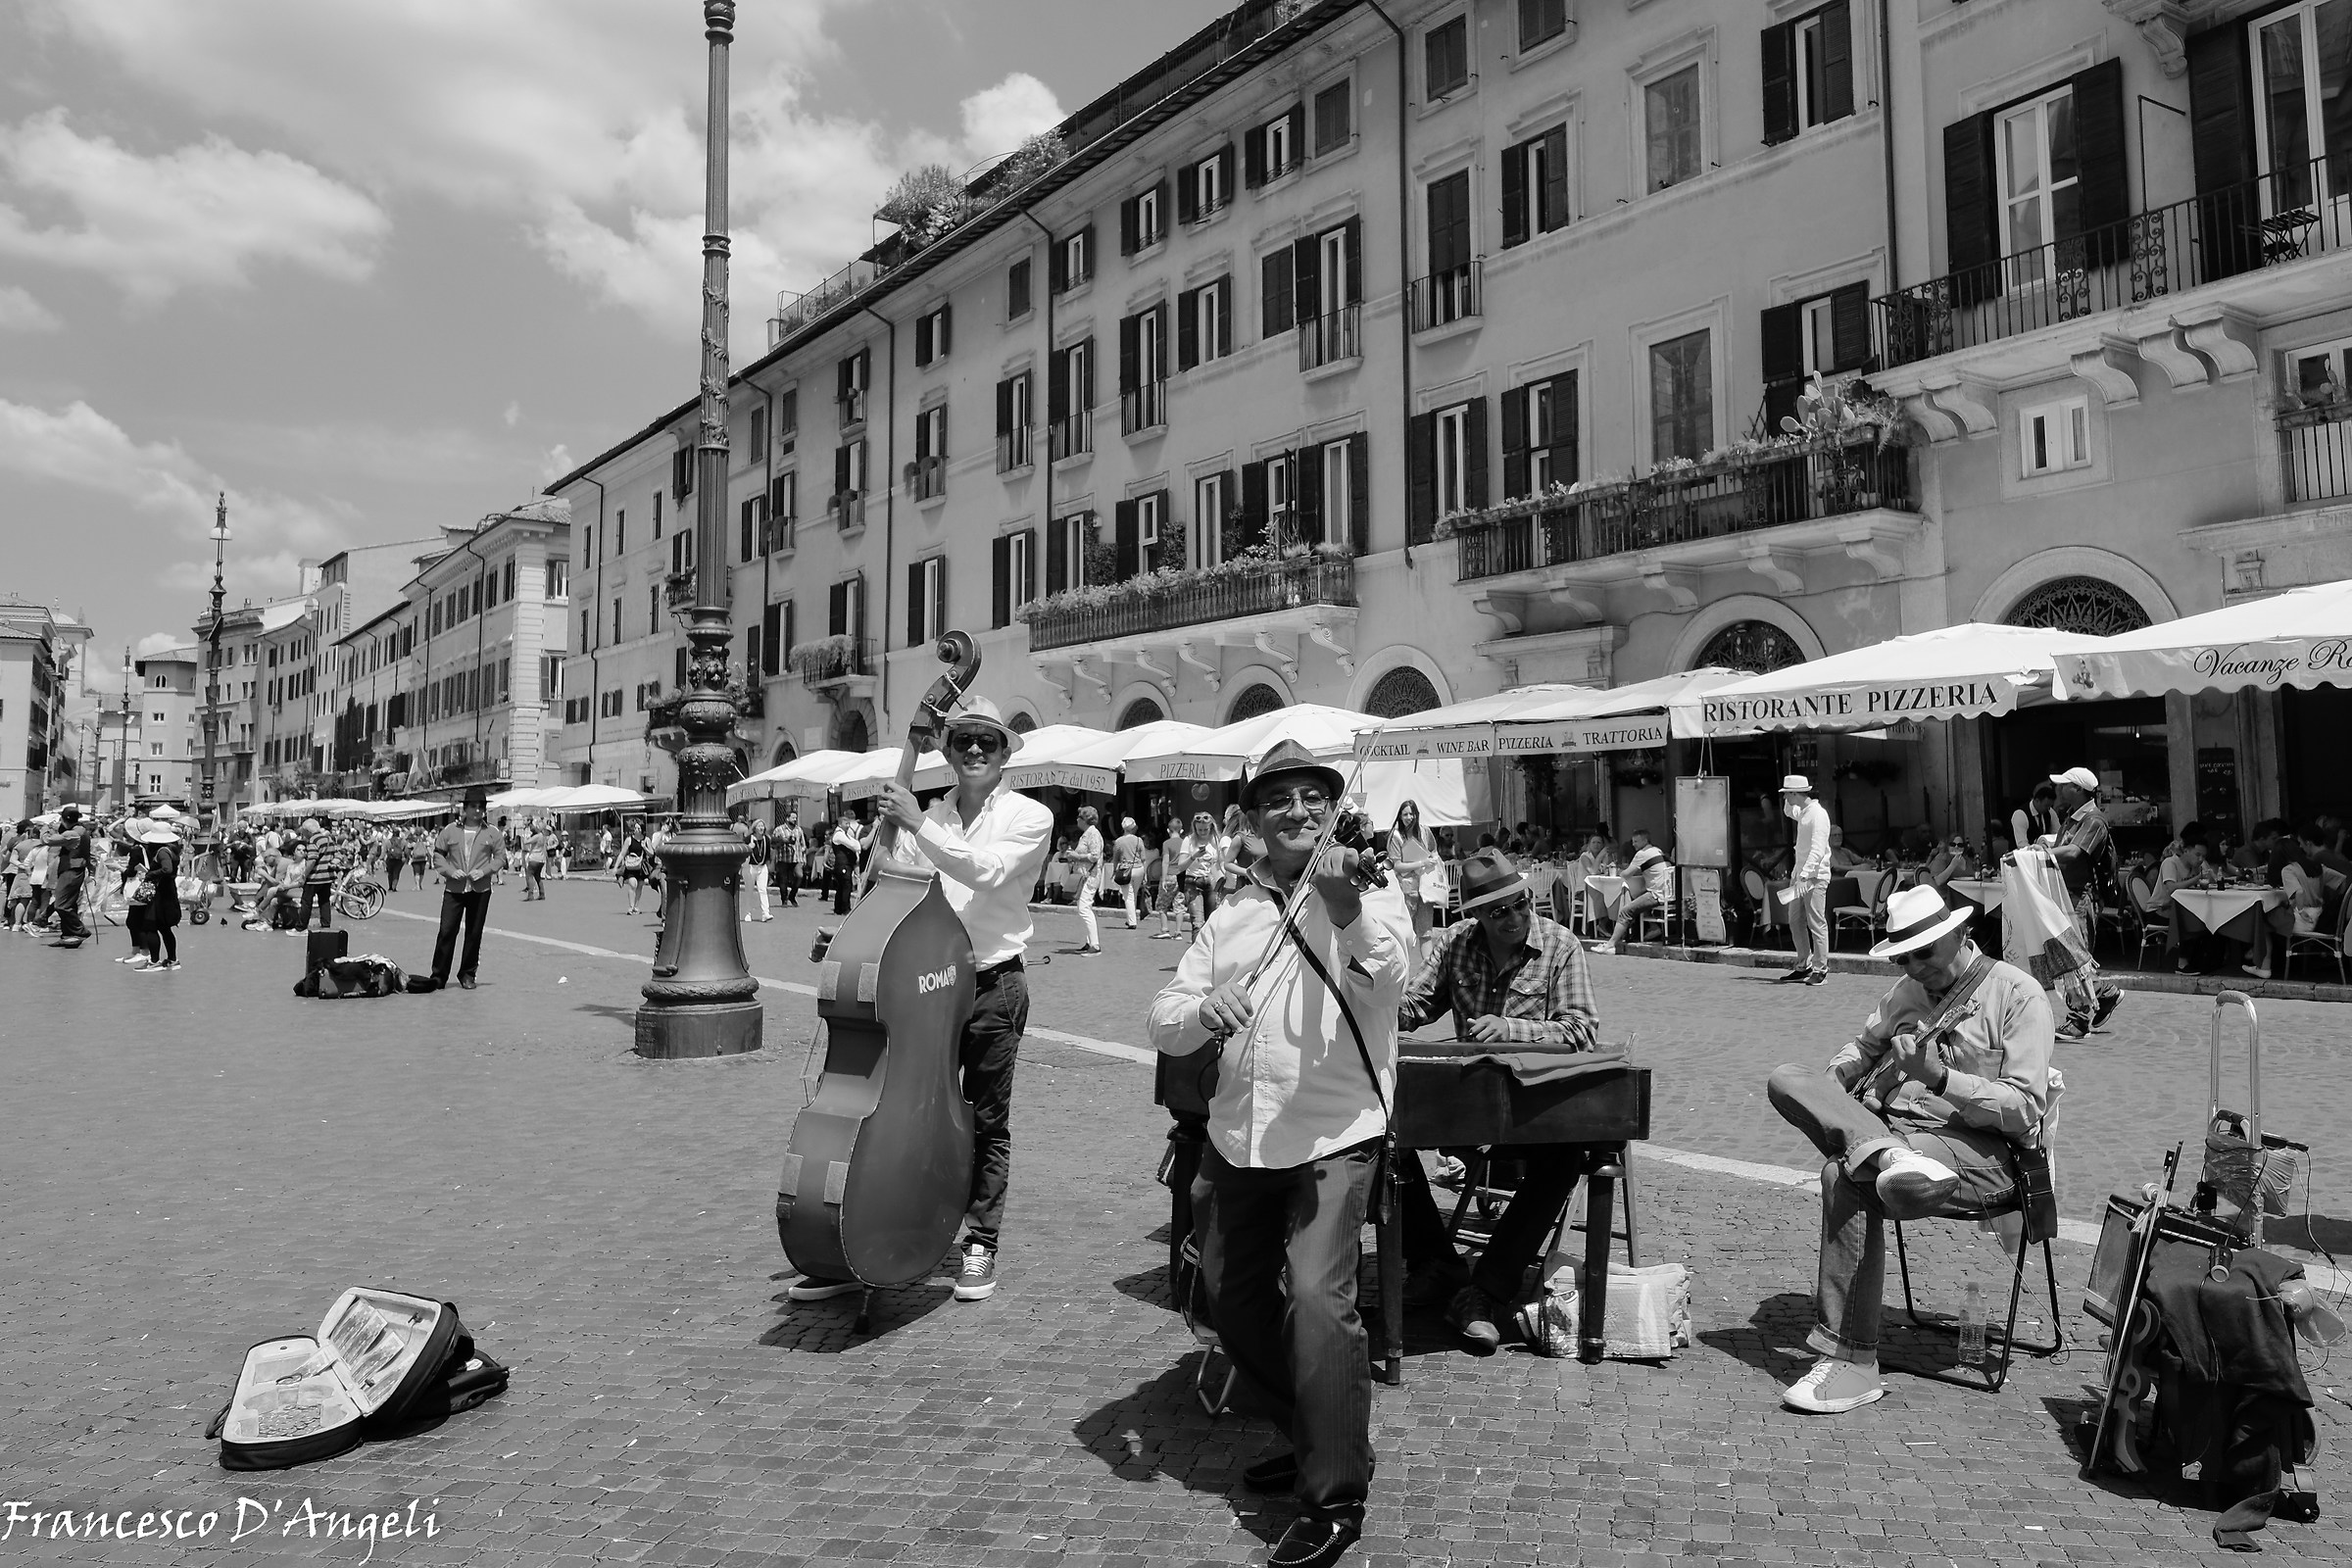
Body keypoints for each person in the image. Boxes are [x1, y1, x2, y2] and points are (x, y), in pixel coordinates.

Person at [1149, 741, 1413, 1568]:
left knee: (1317, 1296)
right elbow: (1165, 1013)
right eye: (1279, 801)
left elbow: (1392, 979)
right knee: (1225, 1291)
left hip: (1335, 1133)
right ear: (1254, 823)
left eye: (1313, 798)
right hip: (1238, 1133)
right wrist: (1203, 1011)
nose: (1298, 812)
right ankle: (1317, 1431)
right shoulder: (1231, 915)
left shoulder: (1371, 888)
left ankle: (1334, 1497)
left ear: (1334, 813)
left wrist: (1345, 908)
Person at [792, 697, 1054, 1307]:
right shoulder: (928, 811)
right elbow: (895, 886)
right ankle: (867, 1233)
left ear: (1003, 753)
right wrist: (858, 925)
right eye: (961, 739)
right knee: (900, 1110)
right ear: (948, 748)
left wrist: (915, 822)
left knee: (987, 1120)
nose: (972, 751)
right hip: (925, 984)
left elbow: (984, 871)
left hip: (991, 984)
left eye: (986, 742)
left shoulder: (1028, 815)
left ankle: (980, 1238)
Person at [1764, 883, 2054, 1414]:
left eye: (1924, 954)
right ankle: (1883, 1154)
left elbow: (2024, 1109)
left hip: (1983, 1154)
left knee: (1840, 1175)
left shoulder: (2018, 995)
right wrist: (1840, 1075)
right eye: (1904, 956)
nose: (1916, 967)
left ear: (1961, 934)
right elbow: (1864, 1043)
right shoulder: (1906, 992)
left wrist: (1941, 1079)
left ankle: (1853, 1360)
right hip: (1898, 1137)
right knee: (1787, 1077)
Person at [1394, 850, 1601, 1350]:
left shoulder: (1560, 944)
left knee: (1565, 1154)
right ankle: (1435, 1262)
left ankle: (1485, 1291)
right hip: (1467, 1107)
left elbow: (1581, 1029)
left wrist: (1512, 1029)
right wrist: (1371, 994)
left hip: (1535, 1109)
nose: (1514, 917)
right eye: (1498, 911)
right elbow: (1415, 1005)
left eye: (1520, 904)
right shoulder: (1455, 945)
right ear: (1476, 915)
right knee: (1381, 1134)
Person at [2047, 766, 2124, 1035]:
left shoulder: (2093, 821)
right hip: (2067, 894)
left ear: (2078, 789)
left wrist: (2038, 854)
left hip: (2082, 898)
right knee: (2069, 957)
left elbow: (2072, 852)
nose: (2058, 789)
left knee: (2075, 958)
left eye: (2064, 785)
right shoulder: (2072, 817)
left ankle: (2080, 1019)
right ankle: (2104, 994)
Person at [426, 787, 508, 991]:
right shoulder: (450, 831)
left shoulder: (492, 833)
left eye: (481, 807)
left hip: (480, 890)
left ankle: (468, 974)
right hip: (454, 889)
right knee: (446, 931)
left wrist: (486, 871)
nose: (477, 811)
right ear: (465, 808)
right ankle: (439, 975)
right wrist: (449, 871)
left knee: (474, 933)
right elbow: (437, 856)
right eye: (473, 806)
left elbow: (501, 858)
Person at [1776, 775, 1834, 986]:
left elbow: (1818, 849)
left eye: (1787, 794)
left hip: (1814, 877)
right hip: (1800, 876)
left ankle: (1821, 969)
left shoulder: (1818, 815)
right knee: (1795, 919)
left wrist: (1804, 875)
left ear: (1794, 793)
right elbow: (1788, 811)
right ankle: (1804, 964)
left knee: (1816, 922)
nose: (1785, 798)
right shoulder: (1804, 813)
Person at [1594, 827, 1673, 955]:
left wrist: (1617, 870)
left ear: (1645, 840)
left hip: (1656, 894)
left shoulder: (1642, 854)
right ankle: (1653, 928)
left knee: (1625, 911)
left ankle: (1610, 944)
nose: (1633, 844)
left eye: (1636, 841)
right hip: (1667, 892)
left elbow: (1626, 875)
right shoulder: (1657, 850)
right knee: (1637, 895)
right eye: (1633, 841)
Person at [41, 805, 94, 949]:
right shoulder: (79, 830)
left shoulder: (73, 833)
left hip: (72, 869)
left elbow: (48, 840)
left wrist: (45, 828)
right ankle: (68, 936)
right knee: (70, 904)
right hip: (73, 869)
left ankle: (80, 931)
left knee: (61, 904)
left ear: (63, 819)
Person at [1387, 800, 1436, 941]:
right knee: (1405, 933)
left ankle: (1429, 963)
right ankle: (1405, 963)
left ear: (1417, 814)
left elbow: (1434, 852)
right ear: (1400, 817)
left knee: (1426, 933)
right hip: (1407, 890)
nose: (1409, 817)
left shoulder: (1425, 831)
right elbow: (1396, 865)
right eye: (1405, 814)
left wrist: (1432, 861)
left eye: (1411, 814)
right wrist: (1421, 863)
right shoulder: (1395, 836)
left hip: (1426, 889)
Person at [1066, 805, 1104, 953]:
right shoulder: (1087, 833)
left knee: (1084, 908)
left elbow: (1095, 855)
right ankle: (1089, 941)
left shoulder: (1093, 834)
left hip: (1091, 875)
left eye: (1079, 817)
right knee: (1084, 907)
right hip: (1085, 874)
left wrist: (1077, 856)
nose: (1077, 819)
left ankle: (1095, 944)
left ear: (1085, 820)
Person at [1109, 815, 1148, 930]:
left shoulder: (1119, 841)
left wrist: (1114, 870)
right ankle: (1131, 918)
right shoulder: (1138, 840)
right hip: (1139, 868)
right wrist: (1145, 873)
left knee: (1128, 896)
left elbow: (1115, 858)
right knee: (1134, 894)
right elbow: (1144, 858)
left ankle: (1132, 921)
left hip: (1126, 869)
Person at [740, 812, 773, 921]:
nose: (761, 828)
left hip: (762, 867)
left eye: (763, 826)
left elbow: (768, 854)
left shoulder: (766, 839)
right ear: (754, 828)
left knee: (763, 889)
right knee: (749, 890)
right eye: (759, 826)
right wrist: (749, 847)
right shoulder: (749, 839)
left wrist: (767, 866)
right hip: (750, 867)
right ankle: (747, 913)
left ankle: (766, 913)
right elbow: (742, 851)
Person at [828, 811, 862, 915]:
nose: (848, 826)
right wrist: (857, 846)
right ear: (840, 824)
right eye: (846, 824)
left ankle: (838, 908)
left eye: (848, 824)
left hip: (846, 864)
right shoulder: (838, 835)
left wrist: (857, 845)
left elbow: (856, 843)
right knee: (846, 885)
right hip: (842, 864)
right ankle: (845, 908)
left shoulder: (844, 834)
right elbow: (854, 845)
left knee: (842, 886)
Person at [616, 818, 654, 914]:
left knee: (640, 886)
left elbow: (651, 854)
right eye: (635, 828)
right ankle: (631, 906)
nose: (636, 830)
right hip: (631, 866)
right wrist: (616, 866)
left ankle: (636, 906)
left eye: (638, 828)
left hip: (641, 867)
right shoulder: (629, 839)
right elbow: (622, 854)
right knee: (633, 884)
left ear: (642, 829)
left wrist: (645, 848)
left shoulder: (646, 840)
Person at [2011, 782, 2061, 853]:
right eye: (2046, 805)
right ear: (2037, 801)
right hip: (2023, 857)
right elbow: (2022, 845)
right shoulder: (2020, 814)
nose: (2048, 808)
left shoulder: (2050, 812)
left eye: (2050, 806)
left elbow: (2058, 835)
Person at [774, 808, 805, 907]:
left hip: (796, 858)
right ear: (787, 818)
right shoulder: (779, 829)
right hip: (783, 857)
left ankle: (792, 896)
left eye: (796, 818)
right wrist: (783, 841)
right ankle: (784, 899)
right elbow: (773, 844)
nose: (795, 820)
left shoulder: (799, 830)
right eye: (793, 818)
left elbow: (803, 845)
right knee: (783, 879)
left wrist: (803, 857)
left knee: (799, 876)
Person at [521, 819, 553, 902]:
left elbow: (526, 842)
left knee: (529, 875)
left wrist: (525, 836)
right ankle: (542, 893)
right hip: (541, 859)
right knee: (537, 876)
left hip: (534, 858)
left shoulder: (538, 836)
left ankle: (530, 894)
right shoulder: (543, 836)